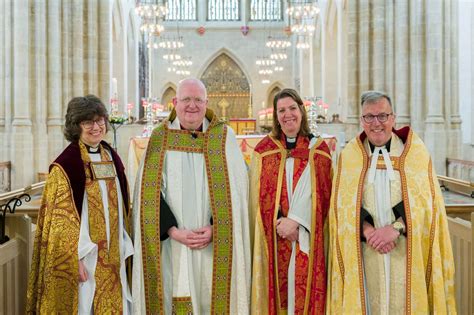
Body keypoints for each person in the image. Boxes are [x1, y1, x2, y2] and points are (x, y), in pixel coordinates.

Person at [326, 91, 456, 314]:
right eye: (369, 117)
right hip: (365, 252)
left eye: (382, 116)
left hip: (405, 250)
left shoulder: (415, 152)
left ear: (393, 119)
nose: (376, 123)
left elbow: (427, 203)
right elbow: (341, 206)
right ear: (361, 120)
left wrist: (395, 229)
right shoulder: (349, 156)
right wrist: (368, 231)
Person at [132, 78, 251, 314]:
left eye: (198, 100)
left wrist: (216, 228)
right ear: (175, 103)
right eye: (186, 99)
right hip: (173, 245)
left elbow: (239, 192)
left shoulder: (224, 137)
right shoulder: (160, 138)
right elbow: (148, 193)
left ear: (207, 103)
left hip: (215, 243)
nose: (192, 106)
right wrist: (173, 231)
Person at [27, 95, 134, 313]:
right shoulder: (65, 166)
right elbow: (59, 224)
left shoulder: (111, 157)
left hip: (113, 256)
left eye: (99, 120)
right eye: (88, 122)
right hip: (86, 258)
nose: (96, 127)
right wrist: (72, 260)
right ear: (76, 127)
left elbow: (122, 208)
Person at [250, 88, 332, 314]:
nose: (288, 115)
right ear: (276, 116)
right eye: (282, 110)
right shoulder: (264, 150)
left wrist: (298, 224)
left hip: (307, 236)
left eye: (292, 108)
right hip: (276, 236)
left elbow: (324, 196)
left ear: (301, 111)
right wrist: (280, 224)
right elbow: (258, 196)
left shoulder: (319, 150)